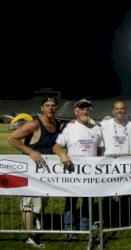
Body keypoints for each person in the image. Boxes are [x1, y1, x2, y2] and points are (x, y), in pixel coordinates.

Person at [8, 96, 60, 248]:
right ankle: (30, 236)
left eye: (53, 105)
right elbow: (12, 138)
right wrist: (31, 152)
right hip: (31, 172)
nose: (50, 108)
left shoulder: (56, 123)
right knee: (29, 205)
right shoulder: (35, 123)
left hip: (44, 171)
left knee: (41, 203)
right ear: (42, 108)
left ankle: (35, 225)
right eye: (47, 105)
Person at [53, 98, 103, 241]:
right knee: (70, 202)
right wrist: (63, 154)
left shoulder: (96, 128)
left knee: (88, 201)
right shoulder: (69, 127)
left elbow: (100, 149)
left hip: (91, 173)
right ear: (76, 111)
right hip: (73, 172)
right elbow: (56, 146)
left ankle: (85, 229)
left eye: (87, 109)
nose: (85, 111)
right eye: (82, 108)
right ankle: (69, 230)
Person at [100, 100, 131, 226]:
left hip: (125, 165)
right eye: (117, 108)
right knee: (107, 195)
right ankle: (107, 220)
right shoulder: (104, 124)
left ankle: (122, 220)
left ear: (125, 110)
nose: (119, 111)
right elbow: (90, 124)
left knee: (124, 196)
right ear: (113, 111)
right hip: (108, 165)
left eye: (122, 108)